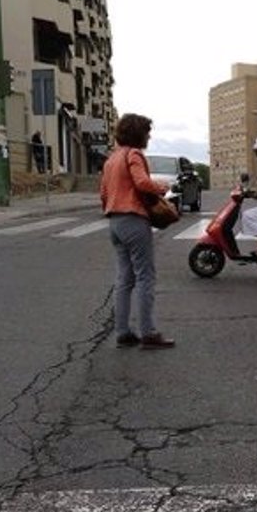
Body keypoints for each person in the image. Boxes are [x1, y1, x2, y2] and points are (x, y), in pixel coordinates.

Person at [99, 113, 174, 349]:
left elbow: (103, 193)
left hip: (115, 222)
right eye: (147, 132)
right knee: (145, 276)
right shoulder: (133, 154)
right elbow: (141, 182)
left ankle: (123, 332)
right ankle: (148, 332)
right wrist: (162, 188)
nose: (149, 136)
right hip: (133, 218)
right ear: (138, 133)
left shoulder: (112, 159)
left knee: (124, 278)